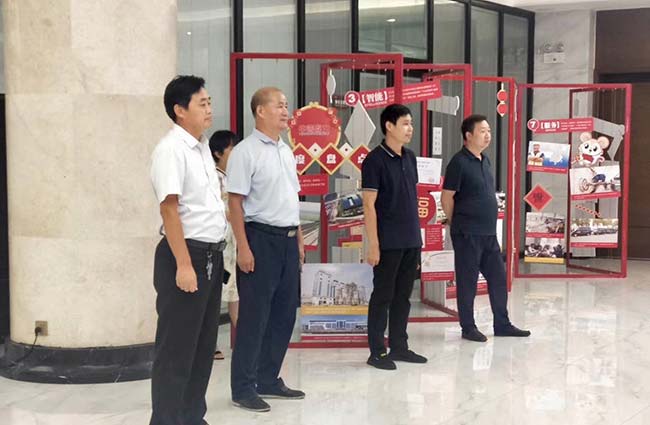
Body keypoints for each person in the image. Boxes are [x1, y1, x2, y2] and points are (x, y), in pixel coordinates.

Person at [149, 75, 227, 425]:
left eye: (210, 102)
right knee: (176, 351)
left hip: (210, 255)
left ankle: (193, 417)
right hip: (186, 256)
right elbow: (169, 210)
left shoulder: (201, 147)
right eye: (202, 103)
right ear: (180, 110)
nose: (209, 109)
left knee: (202, 347)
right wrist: (183, 265)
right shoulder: (171, 149)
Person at [227, 87, 305, 412]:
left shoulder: (286, 150)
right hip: (259, 240)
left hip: (287, 241)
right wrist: (243, 248)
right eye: (279, 106)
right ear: (260, 111)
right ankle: (243, 388)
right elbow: (235, 202)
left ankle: (268, 378)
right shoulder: (245, 152)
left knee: (285, 314)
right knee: (254, 317)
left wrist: (298, 240)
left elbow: (291, 198)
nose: (286, 111)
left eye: (286, 105)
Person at [441, 114, 530, 343]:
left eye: (489, 130)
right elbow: (447, 197)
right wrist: (455, 222)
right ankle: (468, 327)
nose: (488, 135)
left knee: (498, 279)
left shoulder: (485, 160)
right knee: (467, 282)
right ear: (468, 135)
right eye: (482, 131)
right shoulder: (458, 162)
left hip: (488, 233)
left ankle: (502, 324)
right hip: (467, 233)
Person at [361, 104, 428, 370]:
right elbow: (369, 205)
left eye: (411, 123)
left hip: (411, 239)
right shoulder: (374, 160)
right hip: (387, 241)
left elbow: (409, 199)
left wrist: (418, 240)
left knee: (403, 297)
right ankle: (377, 351)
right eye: (405, 123)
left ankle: (399, 346)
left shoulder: (410, 157)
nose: (410, 129)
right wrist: (373, 245)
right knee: (383, 296)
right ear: (389, 126)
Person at [208, 130, 241, 361]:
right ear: (218, 153)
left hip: (235, 241)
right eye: (231, 148)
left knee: (235, 292)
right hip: (220, 241)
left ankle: (242, 340)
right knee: (216, 293)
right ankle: (209, 344)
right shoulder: (213, 177)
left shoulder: (235, 177)